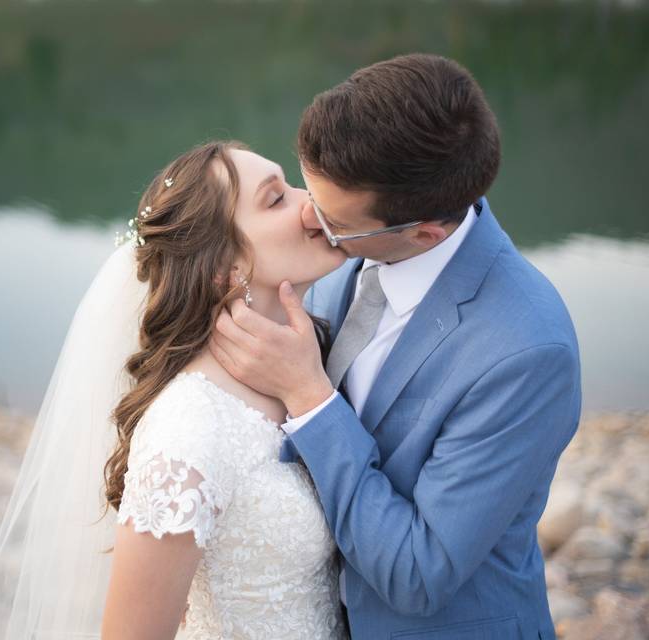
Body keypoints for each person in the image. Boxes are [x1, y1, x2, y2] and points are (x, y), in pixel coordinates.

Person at [210, 53, 581, 639]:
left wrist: (309, 395)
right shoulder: (338, 259)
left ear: (424, 232)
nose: (308, 218)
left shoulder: (527, 351)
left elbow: (418, 574)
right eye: (306, 189)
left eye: (332, 220)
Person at [0, 140, 350, 639]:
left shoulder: (314, 363)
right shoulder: (188, 427)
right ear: (226, 268)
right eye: (276, 198)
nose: (312, 202)